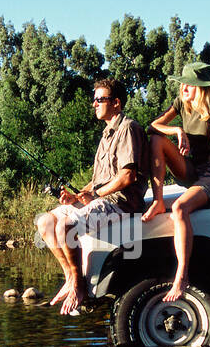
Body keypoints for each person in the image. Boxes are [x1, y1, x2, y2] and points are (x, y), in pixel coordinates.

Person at [35, 78, 148, 315]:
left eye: (100, 99)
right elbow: (97, 180)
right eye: (94, 99)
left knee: (66, 226)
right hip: (101, 200)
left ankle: (79, 285)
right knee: (44, 222)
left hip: (121, 204)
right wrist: (76, 197)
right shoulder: (106, 134)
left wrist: (94, 194)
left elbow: (127, 176)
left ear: (116, 103)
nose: (94, 104)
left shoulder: (128, 128)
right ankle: (70, 277)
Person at [139, 61, 210, 301]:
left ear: (200, 88)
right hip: (194, 169)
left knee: (181, 208)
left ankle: (182, 275)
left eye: (189, 84)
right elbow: (153, 126)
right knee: (156, 141)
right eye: (182, 83)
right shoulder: (180, 103)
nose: (184, 87)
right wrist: (177, 131)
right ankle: (158, 201)